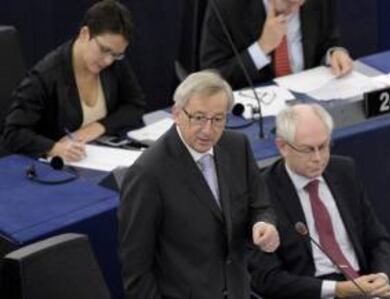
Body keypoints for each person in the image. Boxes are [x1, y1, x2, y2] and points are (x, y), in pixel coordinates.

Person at [118, 70, 280, 299]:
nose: (208, 130)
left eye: (218, 119)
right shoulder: (148, 174)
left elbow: (259, 206)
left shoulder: (237, 146)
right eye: (198, 117)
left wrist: (264, 224)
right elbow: (137, 270)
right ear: (177, 113)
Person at [248, 104, 390, 299]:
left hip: (365, 284)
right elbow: (266, 278)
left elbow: (378, 239)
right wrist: (337, 289)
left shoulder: (344, 171)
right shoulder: (262, 193)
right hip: (313, 292)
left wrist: (381, 276)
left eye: (324, 146)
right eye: (308, 149)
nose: (318, 158)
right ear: (283, 147)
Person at [3, 0, 146, 161]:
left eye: (116, 54)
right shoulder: (46, 75)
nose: (108, 61)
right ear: (85, 33)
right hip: (57, 169)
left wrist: (97, 127)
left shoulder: (114, 63)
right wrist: (54, 148)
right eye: (104, 50)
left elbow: (135, 105)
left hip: (97, 157)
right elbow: (13, 133)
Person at [200, 0, 353, 89]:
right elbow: (212, 77)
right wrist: (261, 48)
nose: (297, 6)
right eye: (290, 2)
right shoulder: (226, 6)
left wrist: (334, 53)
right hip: (257, 106)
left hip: (311, 97)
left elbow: (328, 41)